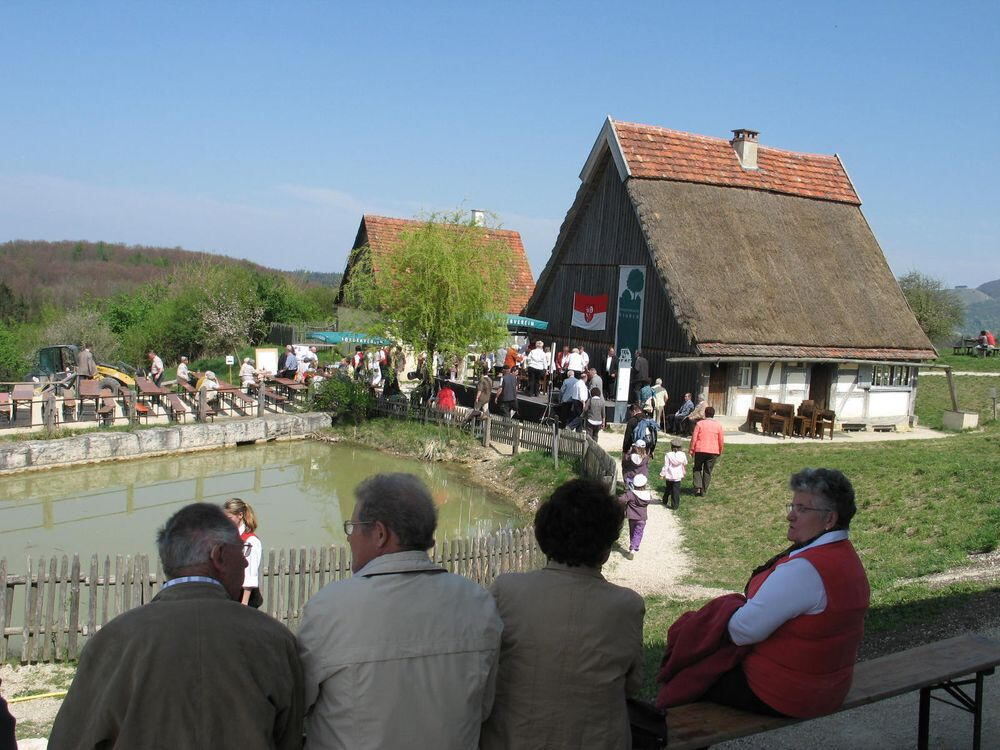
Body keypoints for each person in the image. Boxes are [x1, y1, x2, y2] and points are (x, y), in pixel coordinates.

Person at [49, 503, 304, 748]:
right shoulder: (273, 639)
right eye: (241, 551)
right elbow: (291, 737)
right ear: (219, 556)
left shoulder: (112, 639)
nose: (247, 562)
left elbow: (70, 740)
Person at [297, 473, 503, 750]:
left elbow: (296, 705)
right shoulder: (478, 604)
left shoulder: (329, 608)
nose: (349, 539)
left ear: (380, 534)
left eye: (353, 528)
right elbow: (484, 708)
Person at [480, 478, 644, 750]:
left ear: (544, 535)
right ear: (606, 549)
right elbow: (633, 684)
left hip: (513, 739)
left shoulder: (506, 590)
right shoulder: (627, 606)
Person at [699, 469, 870, 718]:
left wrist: (723, 611)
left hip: (789, 694)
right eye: (792, 506)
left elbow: (741, 631)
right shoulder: (845, 555)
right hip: (831, 687)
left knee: (694, 677)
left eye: (802, 509)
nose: (790, 515)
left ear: (829, 520)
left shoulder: (806, 569)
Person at [223, 498, 263, 608]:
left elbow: (250, 574)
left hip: (244, 600)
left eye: (229, 518)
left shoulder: (250, 541)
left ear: (240, 515)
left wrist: (243, 605)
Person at [690, 406, 724, 497]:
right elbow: (721, 440)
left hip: (700, 450)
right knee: (707, 471)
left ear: (705, 414)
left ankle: (697, 486)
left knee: (697, 468)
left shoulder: (700, 424)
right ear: (713, 414)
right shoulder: (718, 425)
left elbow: (694, 438)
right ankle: (704, 491)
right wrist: (720, 450)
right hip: (713, 451)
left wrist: (691, 450)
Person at [620, 473, 652, 559]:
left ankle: (632, 547)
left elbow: (621, 500)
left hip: (632, 517)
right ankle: (634, 548)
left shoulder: (630, 494)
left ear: (634, 484)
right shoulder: (647, 495)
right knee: (638, 533)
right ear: (644, 485)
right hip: (642, 518)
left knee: (632, 532)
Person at [659, 438, 688, 510]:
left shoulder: (668, 455)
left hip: (669, 475)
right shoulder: (683, 454)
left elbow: (666, 466)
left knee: (668, 489)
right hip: (678, 476)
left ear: (671, 447)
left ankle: (665, 500)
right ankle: (675, 506)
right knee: (676, 491)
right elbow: (685, 463)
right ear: (680, 447)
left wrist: (662, 474)